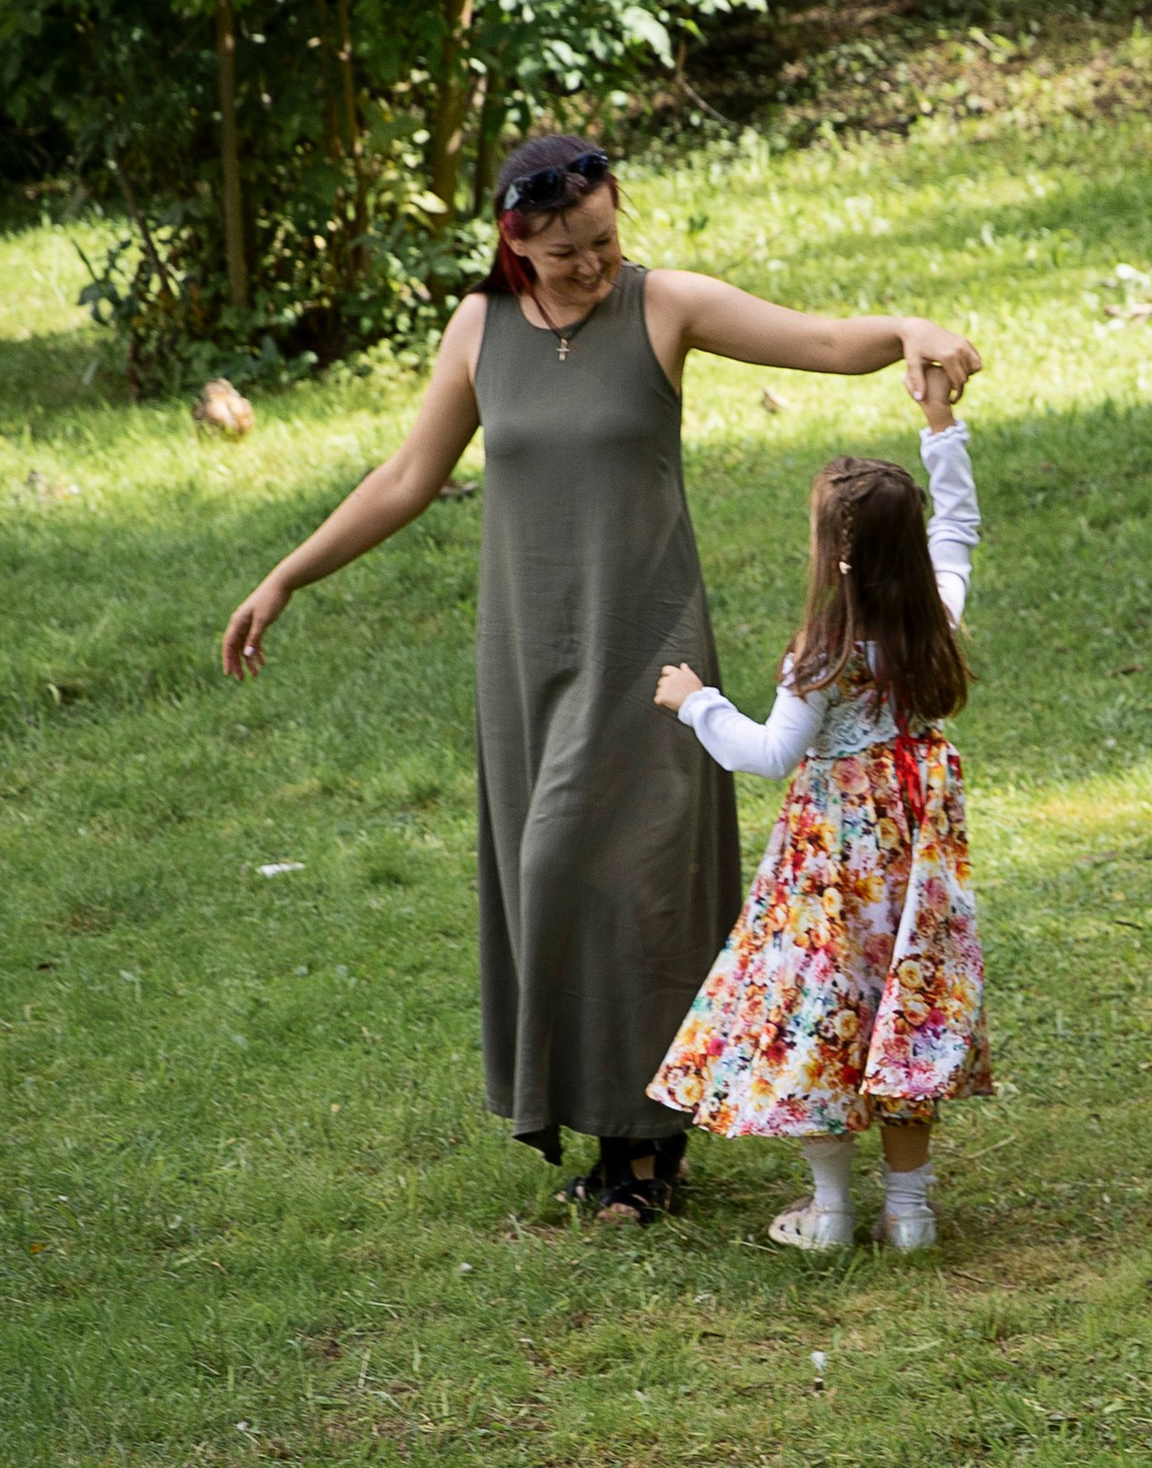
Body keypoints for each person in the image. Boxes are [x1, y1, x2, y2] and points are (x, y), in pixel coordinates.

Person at [217, 130, 982, 1220]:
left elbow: (814, 339)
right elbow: (405, 476)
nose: (593, 265)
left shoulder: (660, 307)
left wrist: (909, 330)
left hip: (647, 646)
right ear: (514, 242)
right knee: (553, 880)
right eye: (567, 249)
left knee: (639, 885)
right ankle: (611, 1128)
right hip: (526, 655)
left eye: (605, 239)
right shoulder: (478, 329)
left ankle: (644, 1149)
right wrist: (287, 577)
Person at [649, 359, 989, 1253]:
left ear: (834, 555)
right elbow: (959, 525)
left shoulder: (824, 654)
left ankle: (832, 1211)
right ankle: (908, 1214)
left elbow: (769, 754)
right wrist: (940, 421)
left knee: (825, 1009)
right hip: (912, 864)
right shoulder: (936, 619)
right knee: (904, 1009)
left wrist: (695, 702)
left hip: (832, 867)